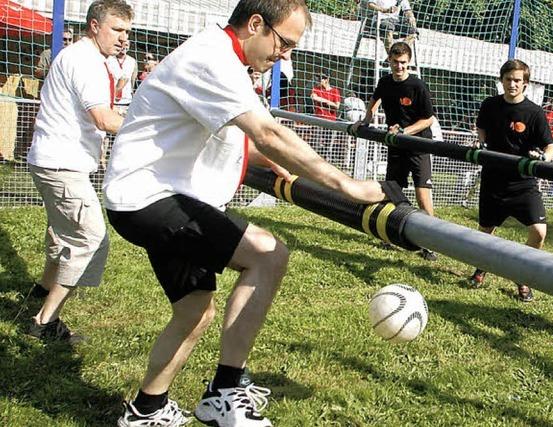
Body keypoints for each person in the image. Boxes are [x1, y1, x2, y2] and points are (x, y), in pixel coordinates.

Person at [103, 1, 388, 425]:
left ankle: (147, 409)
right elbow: (268, 131)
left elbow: (222, 133)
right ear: (256, 24)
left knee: (195, 309)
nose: (286, 55)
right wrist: (346, 185)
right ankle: (225, 391)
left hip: (149, 196)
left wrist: (259, 157)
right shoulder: (211, 57)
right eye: (285, 42)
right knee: (268, 253)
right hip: (151, 198)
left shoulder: (223, 59)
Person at [26, 0, 132, 342]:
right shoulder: (84, 62)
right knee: (90, 240)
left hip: (53, 160)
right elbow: (102, 118)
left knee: (62, 233)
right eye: (116, 30)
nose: (123, 39)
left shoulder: (84, 57)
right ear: (94, 26)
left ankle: (42, 291)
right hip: (62, 165)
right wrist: (153, 130)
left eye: (127, 32)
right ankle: (45, 322)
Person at [468, 59, 553, 302]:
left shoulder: (535, 113)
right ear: (502, 81)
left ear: (525, 84)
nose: (512, 84)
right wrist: (481, 143)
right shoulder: (490, 105)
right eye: (508, 79)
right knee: (485, 231)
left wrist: (544, 158)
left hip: (523, 184)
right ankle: (482, 266)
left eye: (517, 80)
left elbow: (550, 146)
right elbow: (481, 129)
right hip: (493, 180)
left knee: (539, 231)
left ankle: (522, 275)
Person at [357, 41, 439, 261]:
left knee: (423, 196)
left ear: (409, 62)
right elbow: (374, 100)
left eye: (403, 63)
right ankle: (388, 234)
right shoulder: (385, 82)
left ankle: (429, 244)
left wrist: (405, 131)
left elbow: (428, 119)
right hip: (395, 145)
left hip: (418, 146)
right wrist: (365, 120)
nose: (399, 66)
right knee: (393, 191)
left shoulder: (418, 86)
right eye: (395, 62)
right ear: (389, 61)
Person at [107, 39, 138, 116]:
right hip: (111, 100)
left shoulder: (132, 61)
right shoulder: (109, 59)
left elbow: (133, 81)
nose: (124, 47)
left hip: (126, 101)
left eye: (126, 45)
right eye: (122, 45)